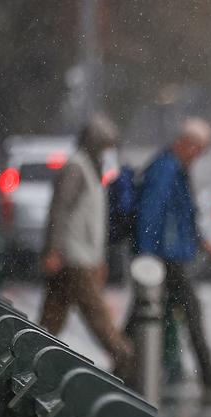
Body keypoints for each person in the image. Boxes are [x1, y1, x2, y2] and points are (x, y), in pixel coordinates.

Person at [134, 117, 211, 391]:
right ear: (186, 144)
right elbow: (151, 214)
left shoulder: (173, 168)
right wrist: (147, 255)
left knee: (143, 316)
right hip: (165, 257)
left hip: (168, 254)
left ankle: (125, 367)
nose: (198, 156)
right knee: (187, 310)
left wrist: (201, 241)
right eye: (198, 149)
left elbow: (183, 213)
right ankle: (209, 375)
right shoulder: (166, 169)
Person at [39, 114, 134, 379]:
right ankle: (125, 359)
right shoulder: (76, 168)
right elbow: (60, 211)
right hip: (73, 256)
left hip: (83, 256)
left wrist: (99, 258)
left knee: (53, 316)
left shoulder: (91, 168)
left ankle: (34, 358)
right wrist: (54, 249)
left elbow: (91, 219)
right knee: (97, 315)